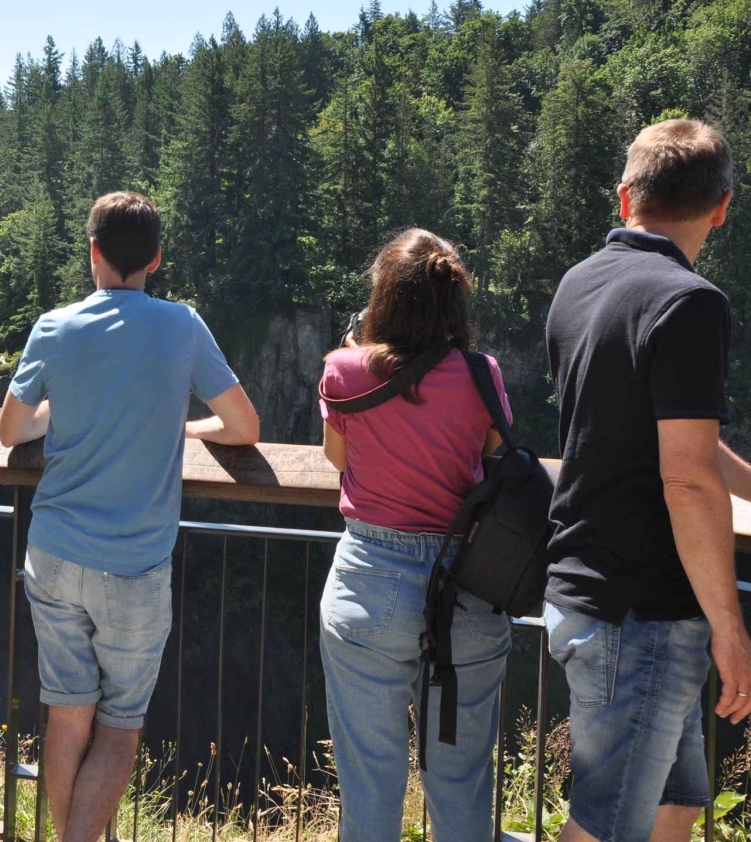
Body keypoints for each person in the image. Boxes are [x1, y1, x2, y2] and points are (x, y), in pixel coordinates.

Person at [0, 191, 260, 842]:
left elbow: (9, 430)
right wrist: (182, 425)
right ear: (156, 258)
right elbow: (244, 425)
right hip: (134, 566)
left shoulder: (53, 328)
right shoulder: (181, 325)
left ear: (93, 253)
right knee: (119, 724)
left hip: (53, 554)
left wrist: (65, 412)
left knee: (67, 717)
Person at [545, 118, 751, 842]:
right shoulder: (691, 301)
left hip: (583, 589)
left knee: (674, 807)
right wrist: (731, 629)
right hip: (644, 616)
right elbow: (687, 479)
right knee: (605, 829)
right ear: (722, 207)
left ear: (624, 196)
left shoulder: (580, 284)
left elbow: (670, 437)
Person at [316, 229, 512, 840]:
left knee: (371, 785)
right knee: (461, 787)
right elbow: (496, 460)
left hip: (369, 582)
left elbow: (336, 458)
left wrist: (355, 351)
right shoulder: (483, 374)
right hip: (467, 585)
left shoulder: (344, 370)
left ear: (384, 298)